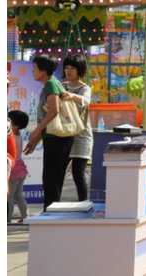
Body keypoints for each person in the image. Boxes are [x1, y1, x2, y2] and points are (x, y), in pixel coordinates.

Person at [23, 55, 72, 211]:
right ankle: (50, 213)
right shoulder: (51, 84)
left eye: (35, 68)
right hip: (54, 138)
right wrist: (34, 141)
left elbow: (54, 110)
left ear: (43, 71)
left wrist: (37, 130)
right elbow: (48, 117)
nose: (32, 71)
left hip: (57, 139)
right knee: (51, 179)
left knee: (51, 179)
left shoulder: (51, 84)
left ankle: (50, 215)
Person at [62, 54, 92, 201]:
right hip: (63, 134)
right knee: (59, 171)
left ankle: (83, 204)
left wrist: (71, 96)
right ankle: (54, 203)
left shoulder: (85, 88)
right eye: (66, 67)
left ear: (79, 70)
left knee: (78, 173)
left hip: (81, 136)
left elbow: (85, 101)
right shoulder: (62, 86)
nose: (68, 71)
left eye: (72, 68)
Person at [8, 110, 30, 223]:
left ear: (15, 126)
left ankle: (7, 219)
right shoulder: (19, 135)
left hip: (12, 170)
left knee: (9, 197)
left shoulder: (10, 136)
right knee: (19, 195)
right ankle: (25, 216)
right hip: (20, 169)